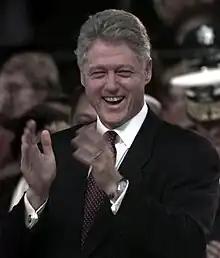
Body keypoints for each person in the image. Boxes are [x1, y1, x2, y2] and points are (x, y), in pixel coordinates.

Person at [1, 9, 220, 258]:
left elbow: (187, 248)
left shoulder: (190, 153)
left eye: (123, 72)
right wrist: (36, 196)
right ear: (83, 75)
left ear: (146, 71)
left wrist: (116, 187)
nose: (112, 85)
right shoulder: (58, 151)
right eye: (98, 73)